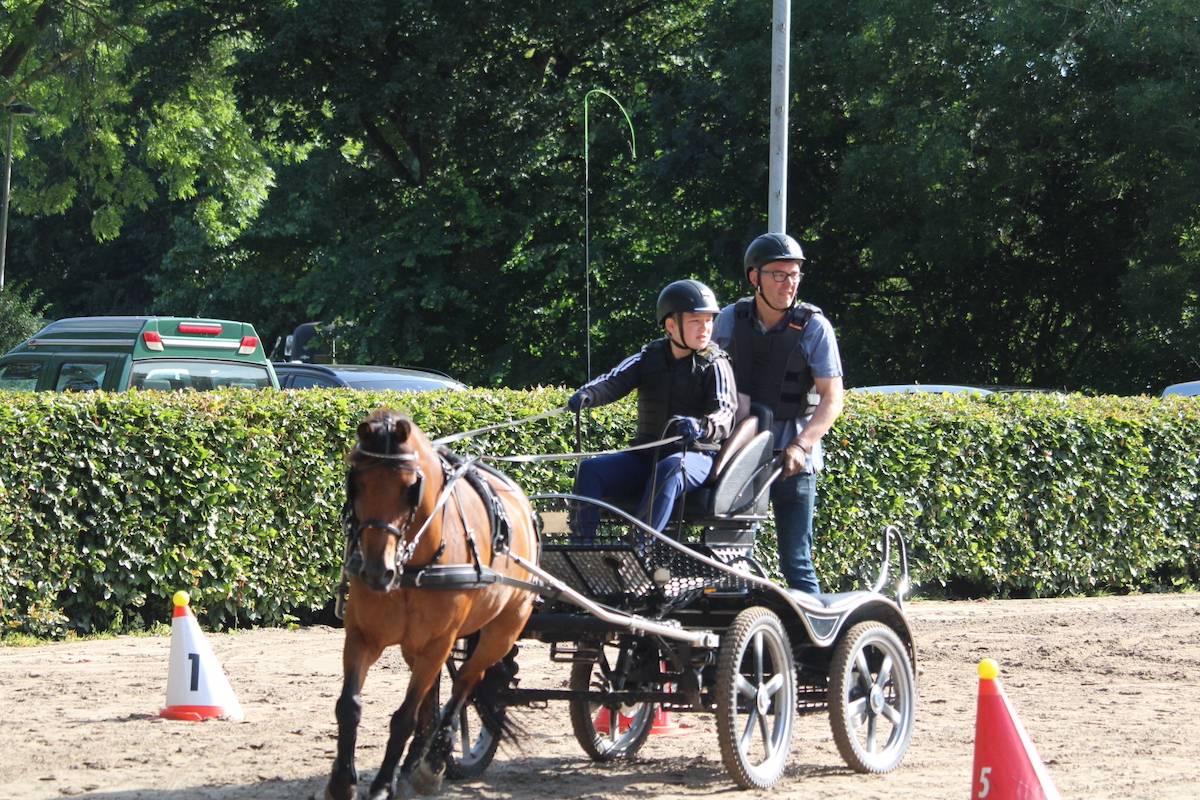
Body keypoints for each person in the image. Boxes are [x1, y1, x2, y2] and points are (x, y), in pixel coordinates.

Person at [714, 233, 844, 594]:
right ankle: (736, 639)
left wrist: (802, 446)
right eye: (778, 275)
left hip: (795, 457)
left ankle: (816, 646)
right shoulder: (728, 320)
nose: (789, 284)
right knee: (731, 557)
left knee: (796, 560)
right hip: (742, 453)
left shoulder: (815, 327)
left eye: (794, 275)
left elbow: (833, 397)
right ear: (754, 277)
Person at [567, 279, 738, 537]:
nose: (705, 329)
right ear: (671, 325)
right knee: (590, 471)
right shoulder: (649, 357)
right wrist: (587, 395)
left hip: (696, 458)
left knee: (670, 468)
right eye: (695, 321)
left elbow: (725, 412)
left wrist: (702, 427)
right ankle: (582, 549)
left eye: (708, 321)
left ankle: (639, 548)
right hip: (646, 458)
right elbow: (613, 380)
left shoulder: (716, 364)